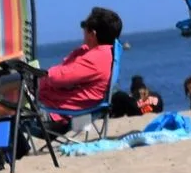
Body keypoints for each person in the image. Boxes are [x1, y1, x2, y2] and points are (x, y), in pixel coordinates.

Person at [25, 8, 122, 138]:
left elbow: (58, 77)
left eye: (84, 27)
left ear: (93, 34)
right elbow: (66, 70)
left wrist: (39, 75)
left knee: (5, 106)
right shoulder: (108, 53)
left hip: (59, 118)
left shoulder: (95, 59)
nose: (82, 32)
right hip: (76, 114)